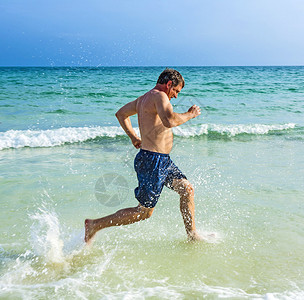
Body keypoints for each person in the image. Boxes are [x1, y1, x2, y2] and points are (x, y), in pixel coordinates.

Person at [85, 68, 201, 244]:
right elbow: (169, 121)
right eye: (176, 91)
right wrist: (190, 114)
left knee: (187, 189)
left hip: (162, 161)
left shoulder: (143, 98)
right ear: (169, 84)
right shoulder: (159, 96)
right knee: (143, 212)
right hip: (152, 161)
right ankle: (94, 225)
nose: (176, 96)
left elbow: (121, 114)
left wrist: (133, 137)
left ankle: (192, 235)